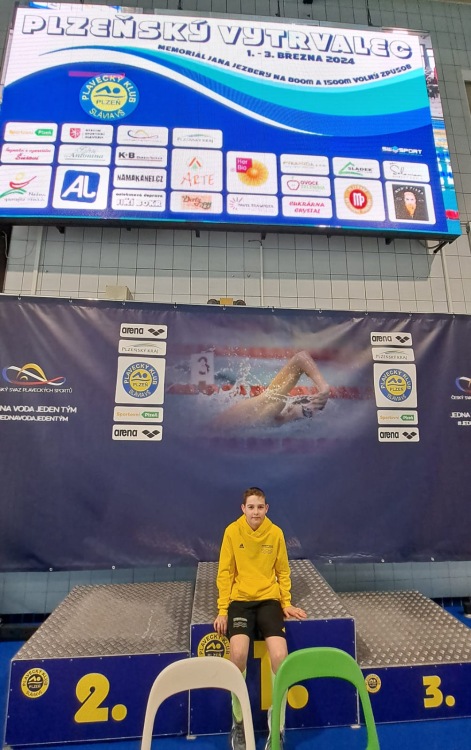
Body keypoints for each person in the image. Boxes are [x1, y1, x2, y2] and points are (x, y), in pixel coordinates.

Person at [213, 487, 307, 750]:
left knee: (280, 657)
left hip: (268, 601)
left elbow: (283, 571)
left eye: (260, 507)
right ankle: (239, 721)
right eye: (251, 507)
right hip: (240, 602)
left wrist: (286, 603)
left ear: (267, 509)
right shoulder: (232, 532)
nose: (256, 512)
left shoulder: (275, 533)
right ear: (243, 509)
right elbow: (225, 572)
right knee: (238, 654)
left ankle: (277, 727)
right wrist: (222, 609)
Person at [211, 350, 330, 430]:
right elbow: (300, 358)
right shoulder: (272, 404)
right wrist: (324, 388)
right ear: (292, 406)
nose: (306, 416)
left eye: (307, 414)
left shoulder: (273, 421)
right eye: (307, 412)